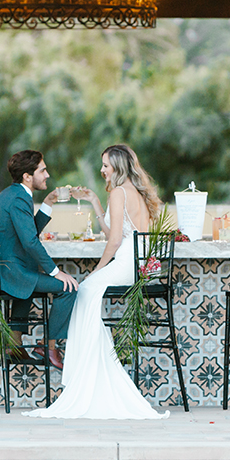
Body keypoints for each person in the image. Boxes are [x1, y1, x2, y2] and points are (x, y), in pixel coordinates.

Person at [24, 144, 170, 420]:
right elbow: (117, 231)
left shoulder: (118, 192)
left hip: (125, 262)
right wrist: (94, 201)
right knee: (86, 296)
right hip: (135, 263)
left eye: (105, 165)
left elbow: (114, 241)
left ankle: (83, 374)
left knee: (84, 290)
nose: (102, 170)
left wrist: (97, 271)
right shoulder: (135, 192)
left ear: (118, 167)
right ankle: (88, 371)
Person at [0, 150, 79, 369]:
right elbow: (29, 242)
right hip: (11, 275)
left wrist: (47, 203)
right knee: (70, 288)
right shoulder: (20, 198)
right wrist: (56, 272)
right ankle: (48, 346)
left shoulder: (10, 195)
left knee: (30, 275)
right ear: (27, 176)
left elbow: (26, 234)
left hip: (7, 272)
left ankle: (14, 342)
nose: (47, 175)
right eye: (42, 170)